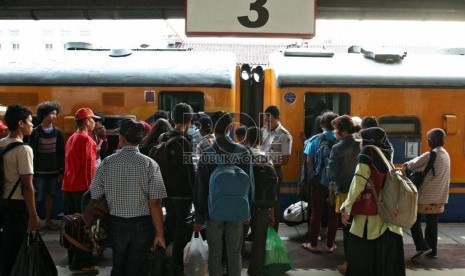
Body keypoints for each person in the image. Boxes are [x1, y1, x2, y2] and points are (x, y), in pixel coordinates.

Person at [90, 118, 167, 276]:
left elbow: (95, 193)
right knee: (137, 267)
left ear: (122, 139)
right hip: (142, 224)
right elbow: (155, 202)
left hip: (116, 223)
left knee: (118, 265)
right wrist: (159, 234)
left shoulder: (107, 163)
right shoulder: (150, 164)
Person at [193, 111, 252, 276]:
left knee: (215, 253)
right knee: (234, 253)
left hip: (214, 212)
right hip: (237, 210)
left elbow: (201, 188)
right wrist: (249, 211)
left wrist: (199, 215)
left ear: (212, 128)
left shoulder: (207, 154)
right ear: (230, 128)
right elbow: (249, 184)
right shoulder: (243, 152)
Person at [340, 127, 406, 276]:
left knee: (363, 258)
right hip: (388, 216)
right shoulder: (387, 153)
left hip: (369, 218)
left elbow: (359, 181)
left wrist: (347, 206)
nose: (360, 143)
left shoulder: (367, 152)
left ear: (368, 140)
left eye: (362, 140)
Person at [0, 104, 40, 275]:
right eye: (30, 121)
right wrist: (33, 215)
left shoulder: (1, 143)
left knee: (4, 248)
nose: (32, 125)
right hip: (17, 206)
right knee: (16, 250)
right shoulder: (24, 149)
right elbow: (27, 186)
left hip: (2, 202)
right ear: (21, 124)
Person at [159, 103, 196, 275]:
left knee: (168, 228)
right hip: (182, 195)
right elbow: (189, 172)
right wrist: (195, 192)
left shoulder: (163, 137)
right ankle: (176, 265)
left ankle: (160, 262)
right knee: (181, 231)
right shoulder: (184, 141)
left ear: (173, 118)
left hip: (165, 191)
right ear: (188, 120)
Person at [403, 128, 450, 261]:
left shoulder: (431, 155)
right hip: (440, 196)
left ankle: (422, 246)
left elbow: (411, 165)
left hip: (426, 197)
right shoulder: (445, 154)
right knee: (432, 222)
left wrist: (407, 165)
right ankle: (432, 250)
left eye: (428, 139)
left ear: (431, 140)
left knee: (412, 219)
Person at [62, 107, 99, 273]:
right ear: (86, 122)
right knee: (84, 226)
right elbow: (88, 169)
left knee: (71, 225)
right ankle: (84, 263)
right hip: (82, 189)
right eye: (93, 120)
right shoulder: (86, 140)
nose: (95, 123)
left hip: (68, 186)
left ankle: (73, 260)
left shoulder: (71, 138)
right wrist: (92, 192)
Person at [327, 115, 361, 274]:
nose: (334, 133)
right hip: (360, 193)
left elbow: (331, 174)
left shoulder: (337, 148)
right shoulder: (362, 144)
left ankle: (349, 264)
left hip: (344, 194)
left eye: (335, 130)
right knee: (359, 228)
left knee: (347, 230)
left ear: (341, 131)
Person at [302, 111, 338, 253]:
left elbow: (309, 161)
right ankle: (330, 245)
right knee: (333, 215)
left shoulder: (315, 140)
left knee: (316, 213)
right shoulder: (341, 140)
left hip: (317, 182)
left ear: (322, 125)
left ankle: (313, 244)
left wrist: (313, 175)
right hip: (334, 183)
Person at [29, 101, 65, 230]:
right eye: (52, 114)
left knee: (51, 195)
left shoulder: (58, 133)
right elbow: (31, 152)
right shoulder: (35, 133)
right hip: (39, 171)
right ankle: (35, 219)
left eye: (55, 113)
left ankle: (48, 220)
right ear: (44, 114)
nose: (54, 116)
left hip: (54, 171)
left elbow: (61, 153)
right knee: (37, 196)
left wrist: (61, 171)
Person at [245, 126, 275, 276]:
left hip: (243, 203)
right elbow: (271, 186)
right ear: (261, 140)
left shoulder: (242, 155)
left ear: (247, 139)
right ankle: (255, 271)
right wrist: (272, 210)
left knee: (237, 238)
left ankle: (234, 267)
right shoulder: (266, 157)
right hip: (261, 204)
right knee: (259, 239)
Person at [261, 105, 293, 231]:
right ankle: (260, 230)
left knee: (273, 202)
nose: (267, 123)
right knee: (261, 201)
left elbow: (285, 159)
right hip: (261, 171)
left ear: (277, 118)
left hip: (274, 172)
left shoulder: (284, 135)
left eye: (269, 120)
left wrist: (268, 161)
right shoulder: (264, 130)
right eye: (265, 120)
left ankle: (273, 232)